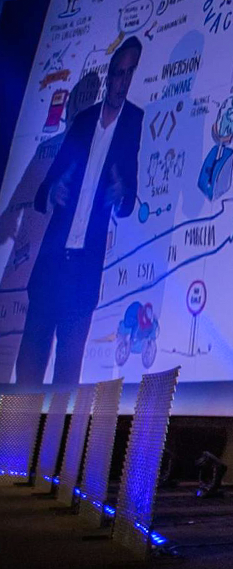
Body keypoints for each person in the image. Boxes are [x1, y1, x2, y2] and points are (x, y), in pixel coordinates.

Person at [16, 37, 144, 386]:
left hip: (83, 273)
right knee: (28, 370)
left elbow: (129, 198)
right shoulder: (84, 121)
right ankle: (16, 425)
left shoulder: (133, 122)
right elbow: (44, 190)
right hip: (51, 265)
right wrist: (52, 191)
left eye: (130, 74)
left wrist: (121, 195)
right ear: (109, 76)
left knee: (67, 376)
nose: (122, 83)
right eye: (118, 74)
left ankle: (57, 426)